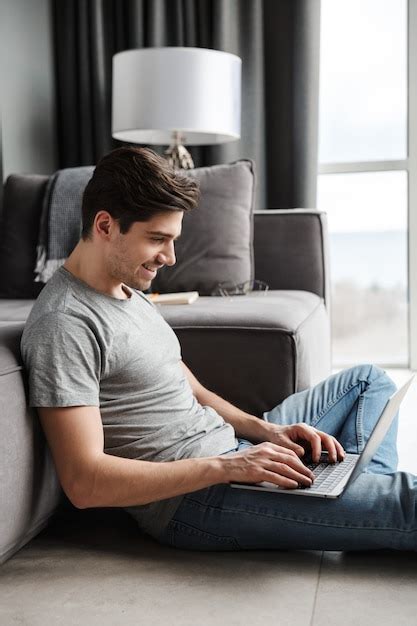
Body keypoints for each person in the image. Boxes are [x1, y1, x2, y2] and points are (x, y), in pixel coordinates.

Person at [21, 146, 417, 552]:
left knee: (369, 382)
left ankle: (349, 506)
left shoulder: (128, 290)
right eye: (157, 239)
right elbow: (85, 483)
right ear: (105, 226)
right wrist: (227, 466)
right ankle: (361, 508)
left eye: (173, 239)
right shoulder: (65, 324)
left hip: (233, 452)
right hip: (196, 500)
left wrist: (268, 431)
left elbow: (191, 388)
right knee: (407, 503)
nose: (170, 257)